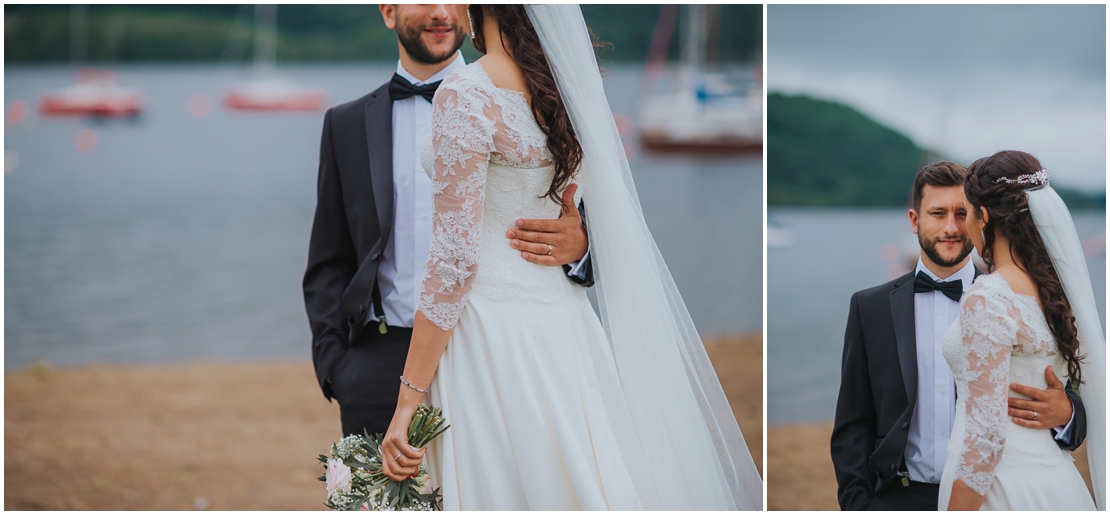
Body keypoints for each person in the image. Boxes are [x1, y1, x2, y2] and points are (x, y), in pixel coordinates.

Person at [375, 4, 762, 510]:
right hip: (564, 324)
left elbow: (454, 262)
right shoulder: (565, 91)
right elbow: (575, 199)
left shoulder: (466, 94)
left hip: (488, 333)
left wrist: (407, 400)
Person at [302, 4, 592, 440]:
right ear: (387, 10)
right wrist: (337, 367)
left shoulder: (534, 97)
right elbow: (328, 257)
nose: (440, 11)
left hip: (494, 350)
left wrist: (582, 248)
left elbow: (581, 204)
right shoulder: (344, 124)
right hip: (379, 362)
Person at [831, 161, 1088, 510]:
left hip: (992, 495)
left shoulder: (1014, 297)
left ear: (978, 217)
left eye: (960, 212)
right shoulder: (869, 307)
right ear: (914, 220)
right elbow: (852, 421)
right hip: (898, 496)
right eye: (937, 213)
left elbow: (1064, 381)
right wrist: (858, 503)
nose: (951, 227)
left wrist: (1067, 414)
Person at [938, 150, 1103, 510]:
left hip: (1001, 487)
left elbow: (986, 437)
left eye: (966, 213)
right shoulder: (1055, 291)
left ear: (983, 217)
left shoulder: (989, 297)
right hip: (1054, 479)